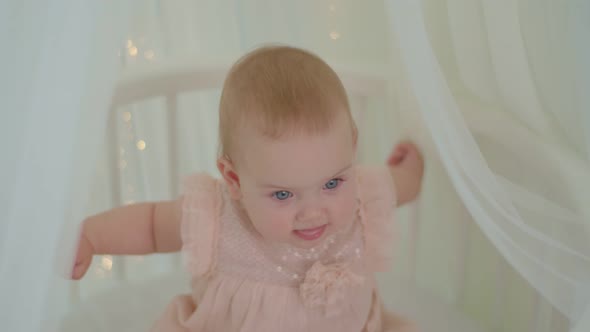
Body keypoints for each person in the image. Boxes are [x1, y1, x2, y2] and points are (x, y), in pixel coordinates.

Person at [72, 45, 424, 332]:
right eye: (283, 195)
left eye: (332, 183)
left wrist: (411, 166)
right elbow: (150, 226)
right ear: (235, 180)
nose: (313, 212)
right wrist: (92, 237)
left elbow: (403, 186)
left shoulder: (363, 195)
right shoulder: (217, 217)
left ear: (352, 145)